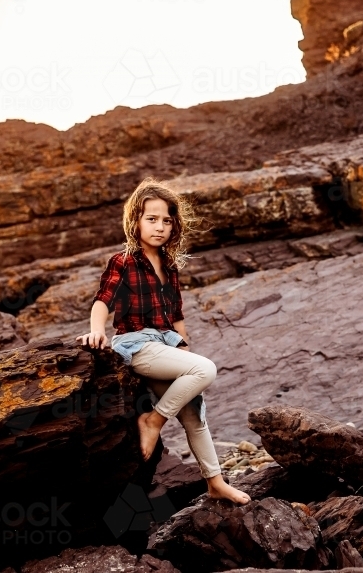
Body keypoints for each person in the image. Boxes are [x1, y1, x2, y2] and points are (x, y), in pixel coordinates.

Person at [76, 177, 250, 505]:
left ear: (174, 226)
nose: (159, 227)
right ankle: (153, 421)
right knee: (205, 370)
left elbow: (177, 316)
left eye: (166, 220)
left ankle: (214, 482)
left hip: (165, 346)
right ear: (135, 222)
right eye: (151, 219)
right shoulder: (124, 260)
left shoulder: (169, 267)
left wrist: (184, 349)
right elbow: (103, 299)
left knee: (194, 416)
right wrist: (97, 330)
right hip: (136, 345)